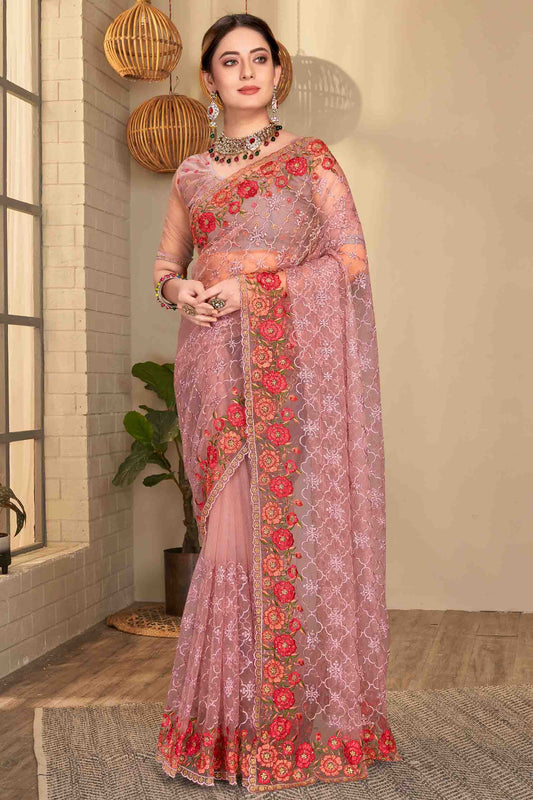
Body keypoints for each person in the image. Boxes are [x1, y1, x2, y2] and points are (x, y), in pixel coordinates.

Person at [153, 12, 402, 794]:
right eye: (230, 61)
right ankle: (223, 730)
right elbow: (166, 264)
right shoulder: (191, 173)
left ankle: (286, 723)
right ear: (208, 79)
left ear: (276, 71)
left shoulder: (310, 160)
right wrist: (180, 290)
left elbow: (349, 260)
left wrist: (255, 290)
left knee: (282, 534)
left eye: (258, 58)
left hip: (286, 362)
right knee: (226, 536)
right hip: (210, 361)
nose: (246, 72)